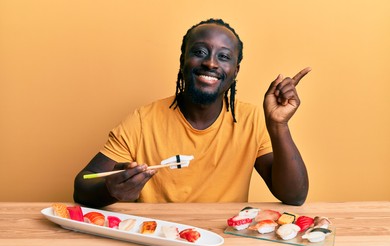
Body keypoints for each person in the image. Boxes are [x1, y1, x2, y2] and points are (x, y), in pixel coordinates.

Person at [74, 18, 310, 208]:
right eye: (199, 52)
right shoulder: (143, 121)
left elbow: (294, 196)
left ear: (235, 71)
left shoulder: (250, 120)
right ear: (183, 61)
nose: (210, 63)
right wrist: (110, 190)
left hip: (224, 242)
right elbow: (82, 186)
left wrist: (279, 126)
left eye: (224, 56)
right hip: (159, 239)